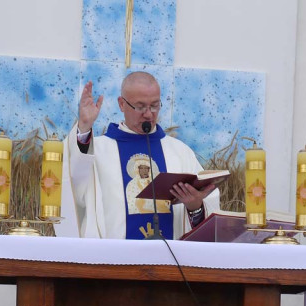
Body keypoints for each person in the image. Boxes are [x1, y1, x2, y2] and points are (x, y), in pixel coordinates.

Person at [67, 71, 219, 240]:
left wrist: (195, 206)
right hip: (114, 260)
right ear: (122, 104)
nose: (148, 114)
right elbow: (74, 183)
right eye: (140, 107)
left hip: (170, 262)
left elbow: (207, 216)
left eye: (154, 105)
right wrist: (84, 127)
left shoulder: (179, 152)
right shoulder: (98, 150)